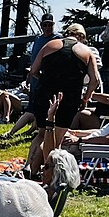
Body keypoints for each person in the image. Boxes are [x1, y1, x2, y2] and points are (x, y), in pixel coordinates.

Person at [26, 24, 100, 174]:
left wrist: (43, 80)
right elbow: (95, 80)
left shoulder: (50, 44)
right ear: (83, 37)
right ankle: (49, 171)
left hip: (45, 95)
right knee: (56, 139)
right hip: (69, 97)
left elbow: (33, 70)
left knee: (42, 133)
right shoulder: (86, 51)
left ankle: (29, 166)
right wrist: (86, 98)